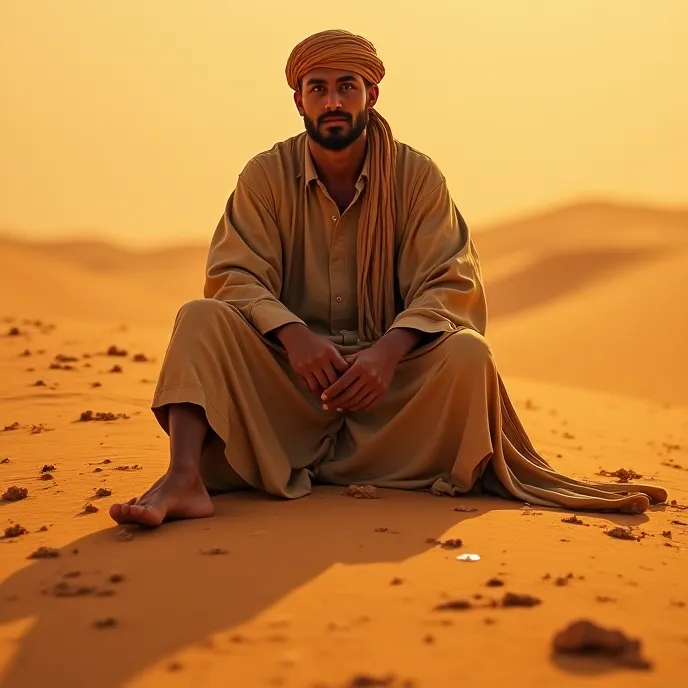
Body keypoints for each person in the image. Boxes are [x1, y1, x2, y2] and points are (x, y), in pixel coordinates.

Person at [110, 29, 667, 527]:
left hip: (391, 392)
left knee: (468, 355)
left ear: (371, 95)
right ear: (298, 99)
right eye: (318, 88)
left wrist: (388, 352)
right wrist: (293, 335)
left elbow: (450, 281)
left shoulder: (416, 177)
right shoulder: (264, 176)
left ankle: (376, 460)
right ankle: (184, 476)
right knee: (199, 318)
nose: (332, 101)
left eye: (346, 87)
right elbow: (234, 274)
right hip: (289, 385)